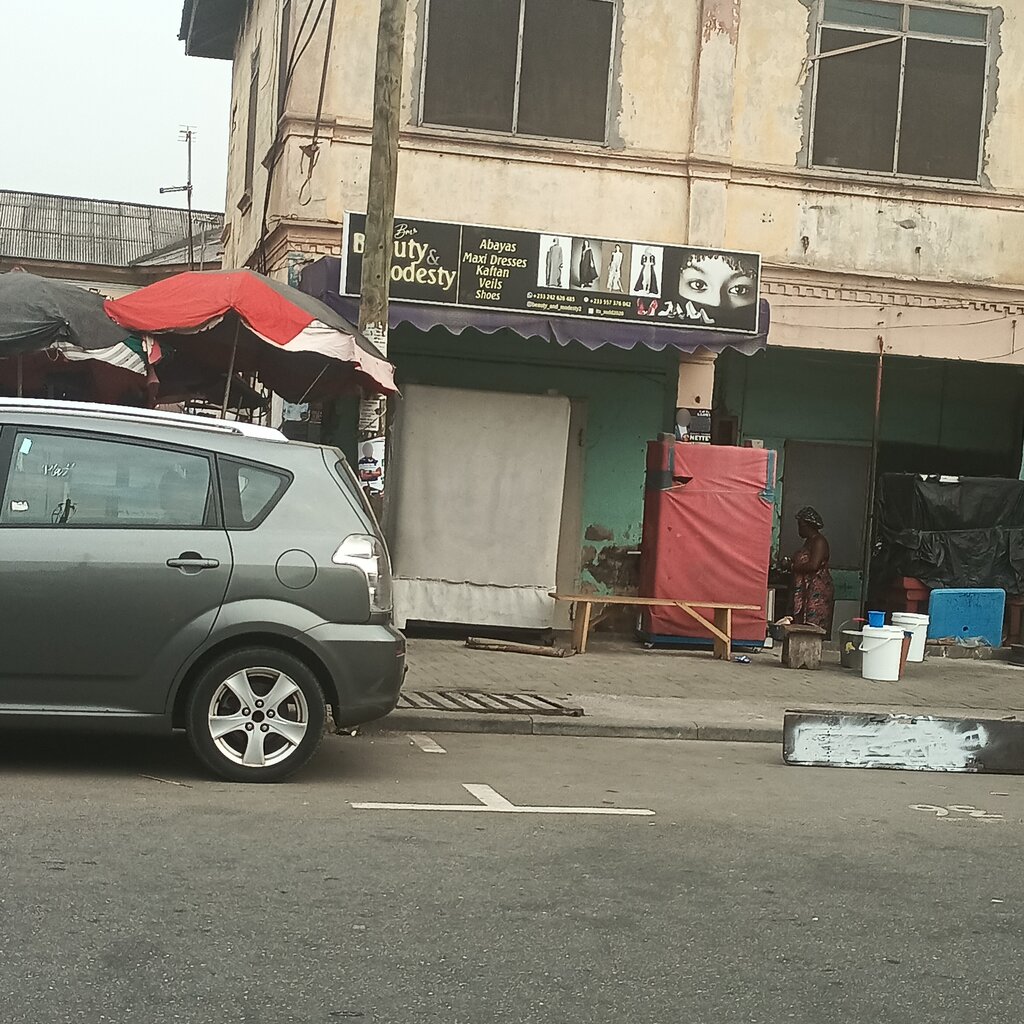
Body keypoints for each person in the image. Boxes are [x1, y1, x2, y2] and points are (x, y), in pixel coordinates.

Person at [791, 506, 834, 631]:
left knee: (814, 626)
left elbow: (813, 565)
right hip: (806, 589)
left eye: (800, 525)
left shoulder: (819, 541)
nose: (799, 529)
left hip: (816, 590)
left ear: (807, 526)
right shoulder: (809, 542)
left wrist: (793, 566)